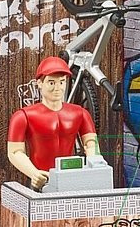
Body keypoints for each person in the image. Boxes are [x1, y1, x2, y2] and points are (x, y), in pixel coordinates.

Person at [7, 57, 99, 190]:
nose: (57, 88)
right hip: (42, 179)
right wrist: (33, 173)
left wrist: (95, 164)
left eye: (62, 82)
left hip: (70, 178)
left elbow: (91, 143)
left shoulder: (80, 113)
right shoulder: (23, 116)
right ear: (39, 83)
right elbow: (15, 152)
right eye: (51, 83)